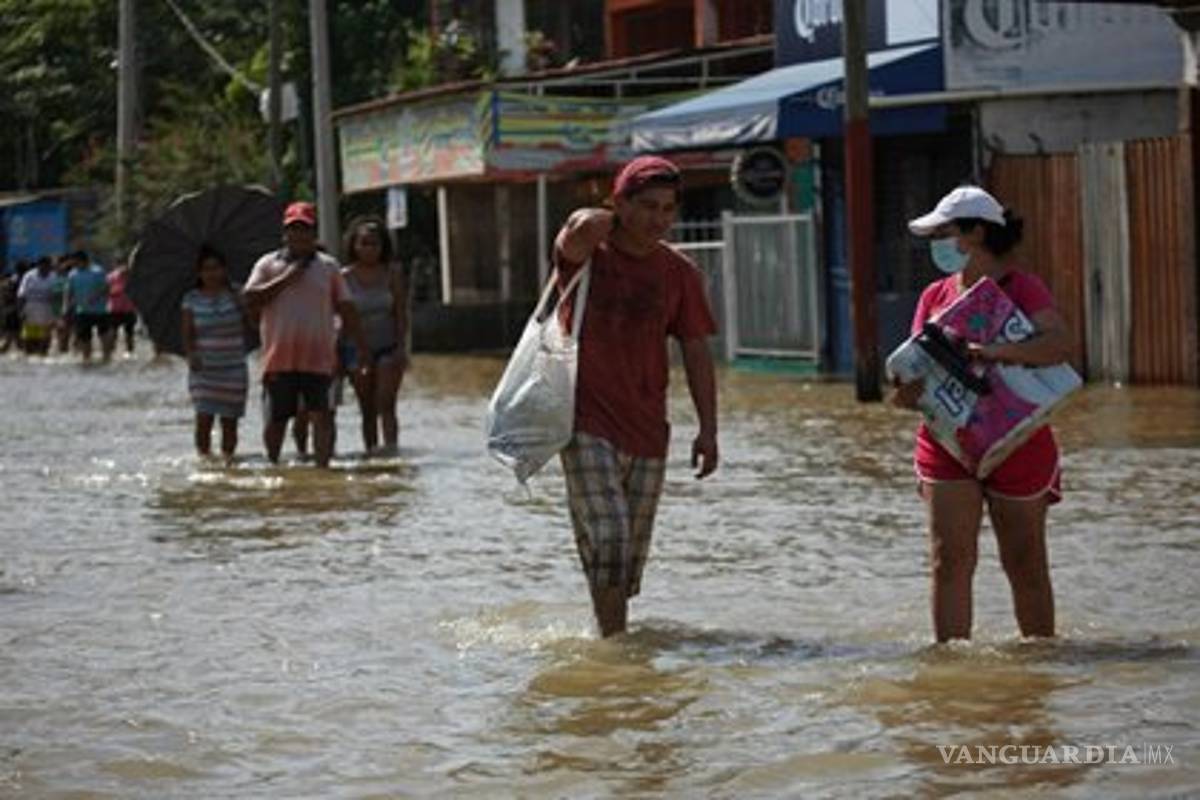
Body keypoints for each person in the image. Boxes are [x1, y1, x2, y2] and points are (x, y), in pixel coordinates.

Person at [891, 186, 1074, 643]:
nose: (936, 242)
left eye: (944, 231)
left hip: (1016, 439)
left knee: (1024, 561)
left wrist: (995, 350)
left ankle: (1039, 669)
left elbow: (1059, 346)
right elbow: (910, 379)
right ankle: (951, 674)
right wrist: (904, 391)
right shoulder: (934, 295)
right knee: (948, 560)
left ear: (976, 232)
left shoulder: (1022, 287)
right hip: (946, 442)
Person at [552, 155, 719, 638]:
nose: (659, 220)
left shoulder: (679, 274)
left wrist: (708, 429)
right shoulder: (588, 256)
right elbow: (577, 231)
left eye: (668, 209)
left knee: (625, 559)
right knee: (609, 535)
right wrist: (616, 215)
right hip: (583, 419)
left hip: (647, 429)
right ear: (618, 203)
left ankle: (609, 636)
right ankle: (616, 649)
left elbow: (696, 352)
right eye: (647, 206)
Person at [243, 201, 370, 468]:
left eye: (304, 229)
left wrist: (361, 348)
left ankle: (322, 469)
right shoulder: (268, 264)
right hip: (279, 359)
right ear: (284, 233)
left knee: (321, 417)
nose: (298, 235)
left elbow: (347, 308)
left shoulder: (328, 267)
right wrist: (287, 278)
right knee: (276, 420)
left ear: (314, 234)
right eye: (293, 229)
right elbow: (249, 297)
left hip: (319, 358)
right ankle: (273, 466)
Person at [340, 216, 409, 456]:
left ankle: (391, 452)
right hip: (356, 349)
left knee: (386, 403)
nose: (369, 249)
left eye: (374, 244)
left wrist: (402, 349)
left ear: (383, 247)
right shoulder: (344, 277)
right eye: (364, 243)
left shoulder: (392, 274)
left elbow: (401, 313)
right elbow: (340, 317)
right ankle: (370, 453)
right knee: (367, 407)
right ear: (354, 245)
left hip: (388, 346)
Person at [181, 245, 251, 460]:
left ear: (225, 269)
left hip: (233, 367)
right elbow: (187, 333)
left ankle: (228, 462)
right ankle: (205, 460)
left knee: (230, 423)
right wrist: (191, 354)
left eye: (216, 268)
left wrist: (243, 305)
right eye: (206, 269)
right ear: (199, 273)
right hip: (204, 369)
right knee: (203, 418)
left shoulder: (237, 293)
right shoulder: (191, 299)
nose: (212, 273)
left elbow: (254, 325)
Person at [64, 251, 113, 362]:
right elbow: (68, 291)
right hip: (82, 311)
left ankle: (107, 358)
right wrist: (66, 306)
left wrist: (95, 297)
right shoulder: (73, 274)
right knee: (85, 338)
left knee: (104, 335)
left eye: (75, 260)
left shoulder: (98, 271)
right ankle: (87, 359)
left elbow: (106, 288)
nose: (73, 263)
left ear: (82, 260)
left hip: (99, 310)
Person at [16, 257, 57, 356]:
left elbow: (57, 295)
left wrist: (57, 313)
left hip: (47, 308)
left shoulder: (54, 277)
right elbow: (21, 294)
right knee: (29, 337)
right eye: (43, 267)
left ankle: (43, 354)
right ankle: (29, 357)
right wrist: (20, 310)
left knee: (46, 336)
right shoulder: (29, 276)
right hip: (31, 307)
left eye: (47, 267)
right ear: (39, 266)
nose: (45, 269)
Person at [106, 257, 138, 357]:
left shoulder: (134, 277)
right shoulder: (111, 277)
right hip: (115, 309)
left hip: (130, 309)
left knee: (130, 333)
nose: (124, 268)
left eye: (126, 265)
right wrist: (115, 291)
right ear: (117, 265)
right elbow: (104, 291)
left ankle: (130, 353)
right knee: (112, 332)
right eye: (122, 265)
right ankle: (110, 353)